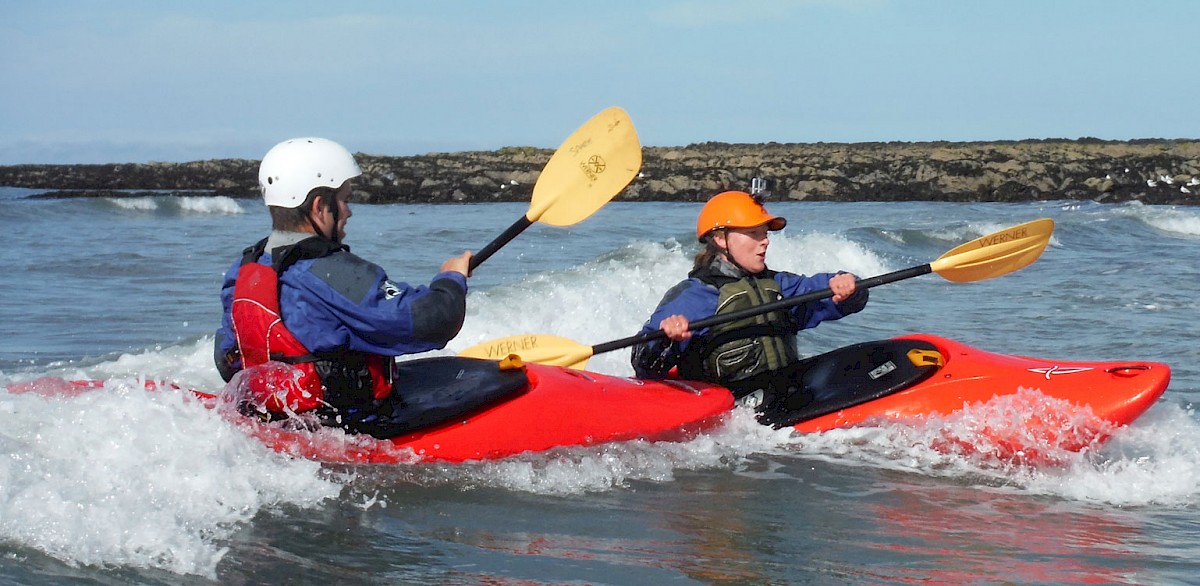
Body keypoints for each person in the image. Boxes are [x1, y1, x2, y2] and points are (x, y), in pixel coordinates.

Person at [213, 137, 473, 438]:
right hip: (347, 430)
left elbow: (227, 358)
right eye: (345, 200)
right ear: (320, 206)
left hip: (278, 425)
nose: (348, 212)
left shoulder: (245, 270)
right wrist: (451, 280)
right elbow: (432, 321)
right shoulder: (332, 271)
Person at [631, 190, 868, 416]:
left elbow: (830, 293)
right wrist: (667, 338)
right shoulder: (695, 295)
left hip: (785, 393)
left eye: (765, 233)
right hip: (733, 411)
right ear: (721, 239)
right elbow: (644, 366)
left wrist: (848, 286)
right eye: (754, 233)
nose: (765, 241)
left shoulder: (779, 284)